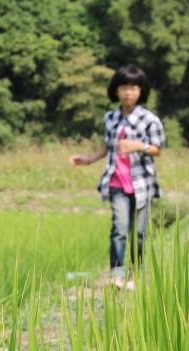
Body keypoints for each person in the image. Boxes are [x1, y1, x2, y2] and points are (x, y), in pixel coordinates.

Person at [69, 64, 164, 291]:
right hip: (116, 183)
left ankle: (135, 274)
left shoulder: (149, 119)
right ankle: (117, 274)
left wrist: (138, 146)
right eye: (123, 87)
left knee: (139, 234)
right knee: (119, 229)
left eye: (133, 87)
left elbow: (157, 149)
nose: (128, 92)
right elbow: (108, 146)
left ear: (141, 91)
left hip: (141, 184)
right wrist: (89, 159)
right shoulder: (110, 118)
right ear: (116, 90)